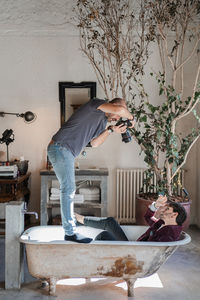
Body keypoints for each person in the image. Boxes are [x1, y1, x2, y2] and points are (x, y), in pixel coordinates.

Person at [47, 97, 134, 243]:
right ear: (113, 105)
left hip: (65, 151)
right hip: (61, 147)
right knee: (68, 188)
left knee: (68, 188)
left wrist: (110, 130)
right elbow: (120, 110)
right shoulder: (95, 104)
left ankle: (70, 232)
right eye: (119, 114)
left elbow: (94, 143)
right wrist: (131, 118)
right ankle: (70, 233)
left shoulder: (102, 121)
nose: (118, 117)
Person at [75, 195, 187, 242]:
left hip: (134, 254)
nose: (163, 210)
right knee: (110, 223)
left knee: (104, 233)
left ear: (174, 215)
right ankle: (79, 221)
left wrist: (134, 246)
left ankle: (79, 220)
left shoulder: (169, 233)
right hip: (134, 246)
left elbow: (153, 250)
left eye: (167, 209)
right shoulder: (162, 223)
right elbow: (148, 217)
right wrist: (155, 205)